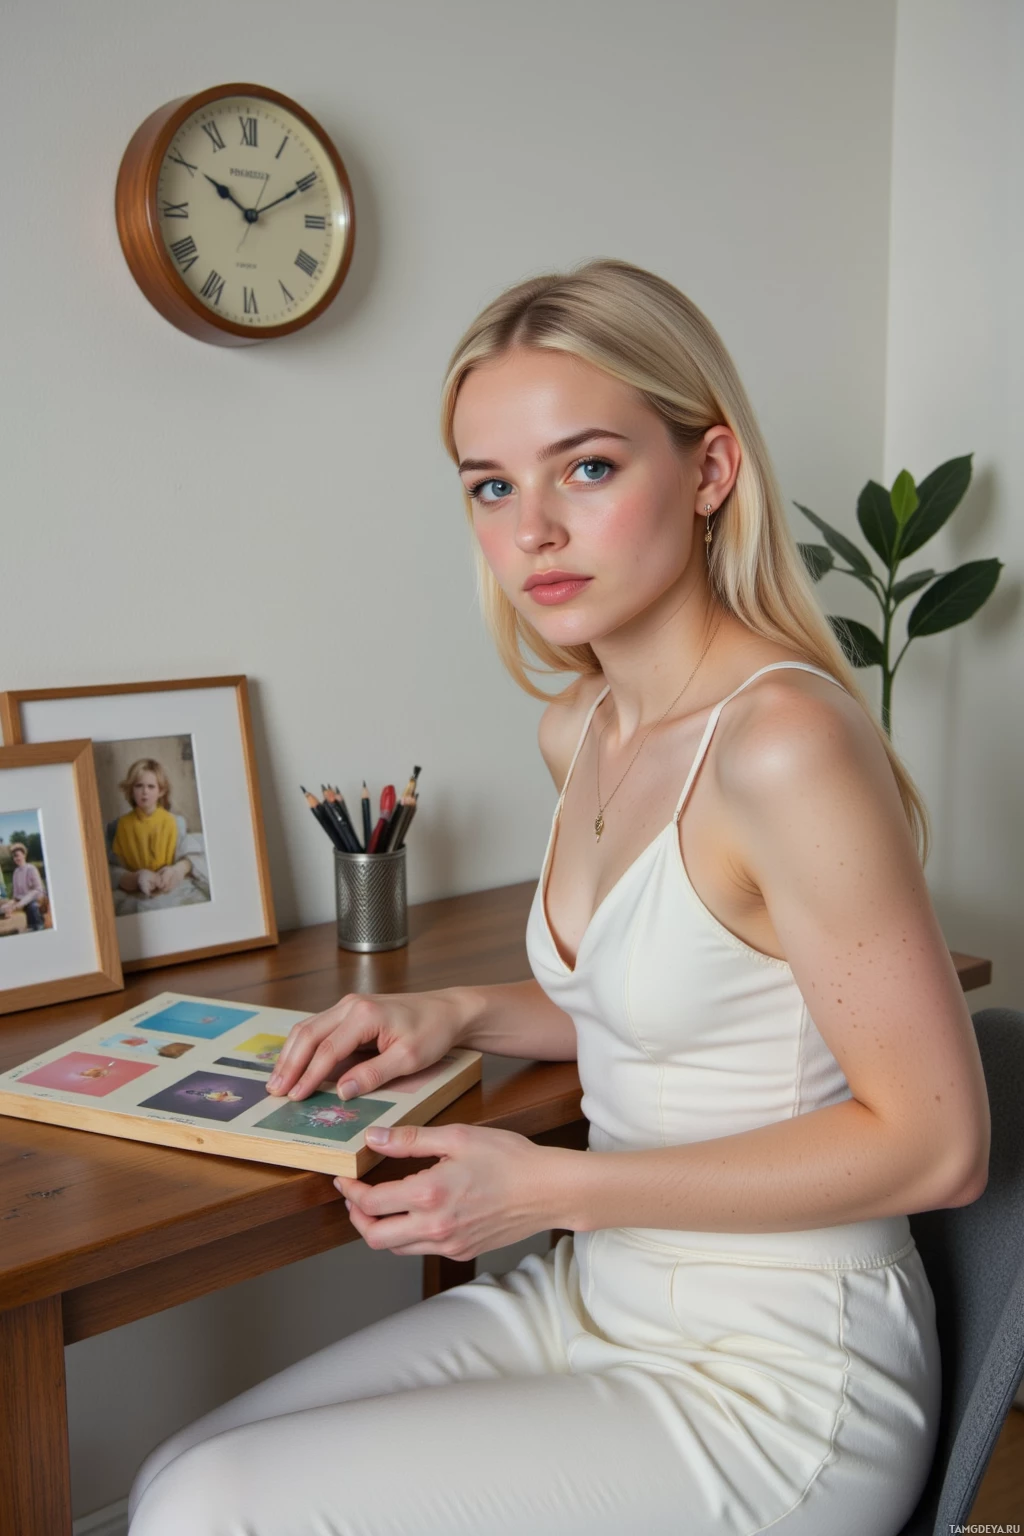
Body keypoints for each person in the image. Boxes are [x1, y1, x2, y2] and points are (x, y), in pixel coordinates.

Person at [127, 260, 990, 1536]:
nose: (531, 527)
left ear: (708, 472)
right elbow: (688, 1013)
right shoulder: (577, 727)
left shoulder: (782, 743)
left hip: (776, 1374)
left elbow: (936, 1144)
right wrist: (459, 1009)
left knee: (212, 1511)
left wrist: (546, 1191)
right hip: (594, 1296)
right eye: (491, 485)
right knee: (168, 1481)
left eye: (585, 468)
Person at [107, 758, 209, 914]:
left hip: (171, 893)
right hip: (136, 895)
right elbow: (111, 870)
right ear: (131, 790)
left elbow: (190, 858)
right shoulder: (119, 826)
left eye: (151, 786)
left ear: (161, 790)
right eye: (139, 786)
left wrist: (176, 871)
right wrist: (136, 877)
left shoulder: (175, 823)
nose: (145, 792)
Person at [0, 843, 46, 931]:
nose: (16, 858)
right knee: (4, 907)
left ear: (24, 855)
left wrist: (19, 904)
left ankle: (38, 927)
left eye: (17, 856)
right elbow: (16, 894)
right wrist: (11, 903)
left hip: (35, 899)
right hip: (21, 900)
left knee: (32, 907)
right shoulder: (16, 872)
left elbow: (37, 890)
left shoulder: (31, 869)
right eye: (14, 857)